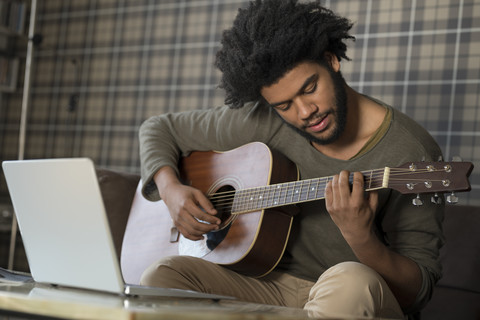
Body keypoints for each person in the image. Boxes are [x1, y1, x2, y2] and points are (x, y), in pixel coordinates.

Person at [138, 0, 444, 318]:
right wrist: (171, 189)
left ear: (331, 60)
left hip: (344, 298)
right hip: (263, 287)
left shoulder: (412, 152)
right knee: (162, 276)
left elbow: (416, 291)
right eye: (284, 105)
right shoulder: (262, 119)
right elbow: (158, 129)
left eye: (310, 88)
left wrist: (361, 237)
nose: (304, 112)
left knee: (353, 280)